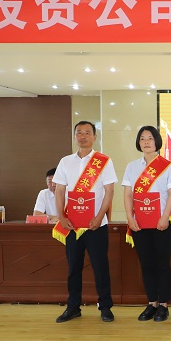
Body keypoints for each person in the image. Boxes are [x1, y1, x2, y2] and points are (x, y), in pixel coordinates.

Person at [52, 121, 117, 323]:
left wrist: (99, 217)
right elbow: (59, 191)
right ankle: (73, 307)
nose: (83, 136)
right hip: (72, 225)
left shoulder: (104, 161)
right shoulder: (65, 162)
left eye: (87, 133)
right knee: (73, 268)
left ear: (94, 137)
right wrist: (61, 216)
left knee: (100, 267)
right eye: (79, 132)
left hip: (96, 225)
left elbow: (109, 191)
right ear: (74, 137)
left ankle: (105, 307)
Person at [122, 126, 171, 322]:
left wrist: (165, 217)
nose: (146, 142)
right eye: (142, 138)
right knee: (146, 264)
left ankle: (163, 305)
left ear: (157, 141)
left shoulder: (168, 166)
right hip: (139, 224)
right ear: (138, 142)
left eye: (150, 138)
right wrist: (130, 218)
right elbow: (128, 194)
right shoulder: (132, 167)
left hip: (163, 224)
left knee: (162, 264)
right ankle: (152, 303)